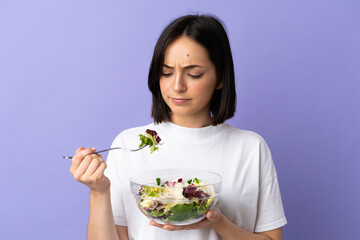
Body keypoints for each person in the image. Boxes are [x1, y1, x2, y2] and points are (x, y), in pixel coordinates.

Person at [70, 14, 287, 240]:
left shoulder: (250, 148)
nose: (177, 86)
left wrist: (218, 222)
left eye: (194, 74)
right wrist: (99, 190)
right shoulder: (130, 144)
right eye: (167, 73)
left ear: (220, 77)